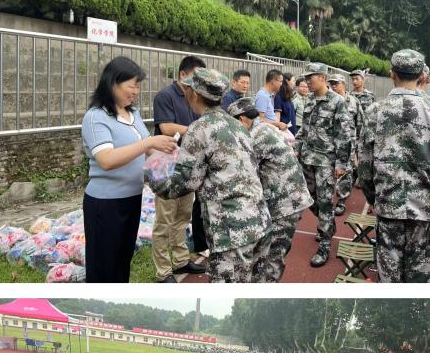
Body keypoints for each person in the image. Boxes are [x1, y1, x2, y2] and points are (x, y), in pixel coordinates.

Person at [144, 67, 272, 282]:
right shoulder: (237, 124)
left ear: (194, 94)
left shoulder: (199, 128)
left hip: (232, 230)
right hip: (260, 220)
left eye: (188, 89)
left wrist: (152, 173)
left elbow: (183, 184)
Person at [358, 49, 430, 282]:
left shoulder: (375, 111)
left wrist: (375, 200)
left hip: (388, 209)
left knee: (390, 283)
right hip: (426, 213)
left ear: (392, 74)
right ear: (422, 75)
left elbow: (364, 167)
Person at [81, 56, 177, 282]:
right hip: (105, 203)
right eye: (131, 85)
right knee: (104, 265)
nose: (136, 91)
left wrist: (168, 152)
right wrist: (148, 143)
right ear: (113, 83)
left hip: (132, 198)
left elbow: (148, 149)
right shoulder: (96, 117)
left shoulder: (132, 114)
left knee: (122, 261)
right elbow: (106, 160)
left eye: (138, 86)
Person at [227, 97, 312, 282]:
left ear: (241, 119)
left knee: (272, 256)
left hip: (286, 205)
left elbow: (242, 172)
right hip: (288, 199)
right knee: (269, 253)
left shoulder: (256, 136)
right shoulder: (265, 128)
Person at [151, 54, 208, 283]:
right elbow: (166, 127)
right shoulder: (165, 96)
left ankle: (181, 259)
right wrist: (196, 131)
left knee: (183, 216)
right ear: (182, 74)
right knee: (164, 219)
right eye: (195, 77)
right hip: (168, 167)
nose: (197, 83)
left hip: (187, 164)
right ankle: (163, 271)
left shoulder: (193, 97)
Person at [295, 63, 353, 268]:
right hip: (307, 159)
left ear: (322, 77)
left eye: (310, 77)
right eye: (306, 78)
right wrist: (297, 148)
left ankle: (325, 244)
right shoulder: (309, 100)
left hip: (326, 162)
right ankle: (327, 224)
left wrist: (341, 163)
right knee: (309, 199)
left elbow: (344, 135)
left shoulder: (337, 102)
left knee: (326, 202)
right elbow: (304, 129)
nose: (307, 81)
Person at [327, 73, 364, 216]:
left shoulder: (354, 101)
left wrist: (359, 145)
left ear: (343, 84)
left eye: (336, 83)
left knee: (346, 171)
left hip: (349, 143)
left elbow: (360, 124)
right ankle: (327, 198)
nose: (334, 86)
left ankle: (341, 200)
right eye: (332, 84)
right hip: (331, 142)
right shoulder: (329, 101)